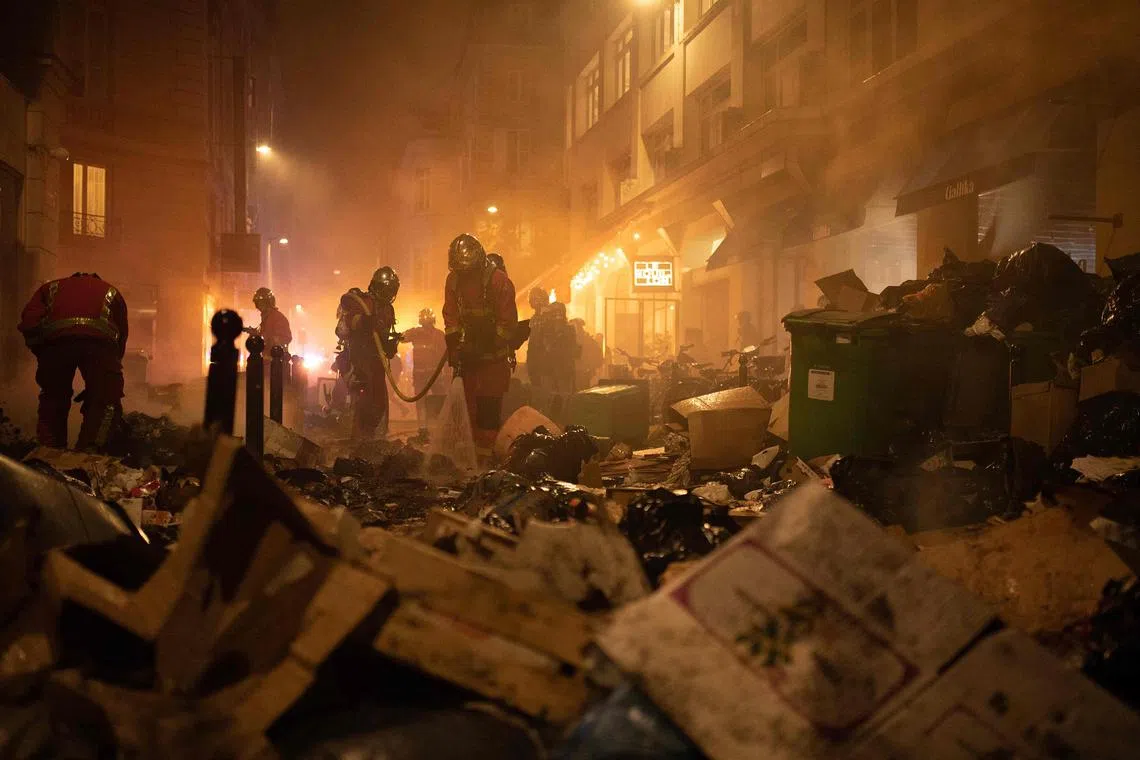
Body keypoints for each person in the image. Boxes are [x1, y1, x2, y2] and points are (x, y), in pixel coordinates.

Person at [19, 272, 128, 451]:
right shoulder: (111, 291)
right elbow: (121, 337)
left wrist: (42, 353)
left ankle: (49, 452)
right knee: (107, 401)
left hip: (56, 345)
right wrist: (104, 380)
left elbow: (29, 323)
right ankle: (92, 452)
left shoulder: (50, 288)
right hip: (99, 347)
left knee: (53, 398)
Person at [442, 233, 518, 457]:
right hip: (469, 358)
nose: (464, 276)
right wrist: (455, 349)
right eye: (460, 271)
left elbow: (507, 323)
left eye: (468, 271)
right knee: (466, 411)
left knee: (488, 410)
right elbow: (451, 317)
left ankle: (486, 462)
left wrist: (486, 346)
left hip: (493, 358)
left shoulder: (498, 281)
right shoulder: (454, 279)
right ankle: (467, 460)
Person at [336, 266, 401, 439]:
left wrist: (390, 345)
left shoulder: (388, 309)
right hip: (359, 360)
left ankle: (371, 439)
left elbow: (384, 333)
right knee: (363, 402)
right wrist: (364, 321)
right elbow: (346, 324)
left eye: (392, 291)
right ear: (378, 286)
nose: (389, 294)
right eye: (387, 290)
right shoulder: (362, 302)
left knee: (379, 402)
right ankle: (357, 439)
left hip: (377, 362)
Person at [401, 307, 448, 437]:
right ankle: (423, 428)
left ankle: (439, 427)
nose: (426, 327)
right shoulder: (416, 333)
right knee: (422, 401)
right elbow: (402, 338)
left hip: (434, 375)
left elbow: (446, 355)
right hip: (423, 375)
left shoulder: (438, 335)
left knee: (438, 400)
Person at [251, 287, 292, 351]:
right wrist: (255, 333)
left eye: (261, 303)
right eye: (257, 303)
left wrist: (263, 338)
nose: (259, 306)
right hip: (266, 359)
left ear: (268, 302)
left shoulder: (277, 317)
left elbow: (284, 338)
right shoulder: (266, 318)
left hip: (277, 358)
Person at [526, 286, 550, 388]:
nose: (531, 302)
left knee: (544, 388)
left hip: (545, 360)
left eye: (534, 299)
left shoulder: (548, 316)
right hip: (535, 358)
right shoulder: (534, 318)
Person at [571, 318, 602, 390]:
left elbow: (596, 355)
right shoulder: (581, 339)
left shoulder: (584, 340)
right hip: (577, 371)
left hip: (582, 372)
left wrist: (591, 367)